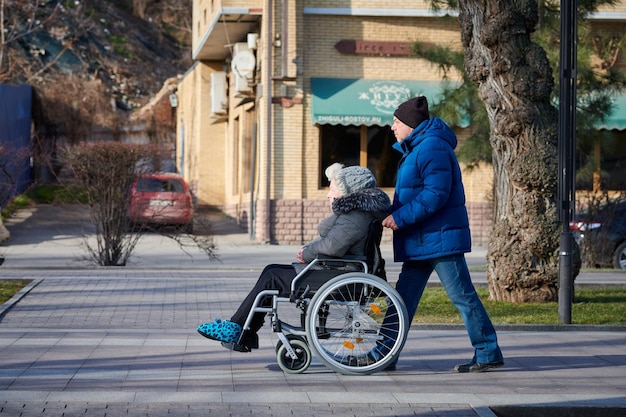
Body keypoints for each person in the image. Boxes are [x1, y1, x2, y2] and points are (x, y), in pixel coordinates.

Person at [197, 163, 391, 352]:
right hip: (339, 272)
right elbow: (328, 234)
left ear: (349, 191)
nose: (328, 194)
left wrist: (306, 253)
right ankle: (242, 332)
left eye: (332, 189)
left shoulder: (354, 217)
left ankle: (237, 328)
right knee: (270, 270)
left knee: (272, 277)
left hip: (340, 276)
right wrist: (337, 210)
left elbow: (332, 247)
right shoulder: (356, 214)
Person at [382, 96, 504, 373]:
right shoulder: (418, 148)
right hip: (421, 240)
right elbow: (414, 194)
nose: (393, 127)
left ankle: (487, 351)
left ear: (411, 125)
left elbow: (434, 194)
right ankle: (384, 353)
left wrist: (399, 218)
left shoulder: (432, 147)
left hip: (439, 241)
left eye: (397, 122)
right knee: (402, 299)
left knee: (463, 296)